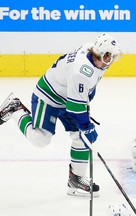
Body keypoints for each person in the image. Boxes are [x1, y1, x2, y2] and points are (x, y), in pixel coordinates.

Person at [0, 33, 122, 196]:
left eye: (112, 57)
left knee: (80, 136)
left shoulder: (93, 55)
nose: (110, 61)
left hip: (68, 95)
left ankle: (76, 179)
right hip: (48, 96)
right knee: (41, 139)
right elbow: (74, 107)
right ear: (101, 54)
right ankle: (15, 108)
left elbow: (84, 87)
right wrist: (87, 127)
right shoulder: (82, 71)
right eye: (108, 57)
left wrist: (86, 101)